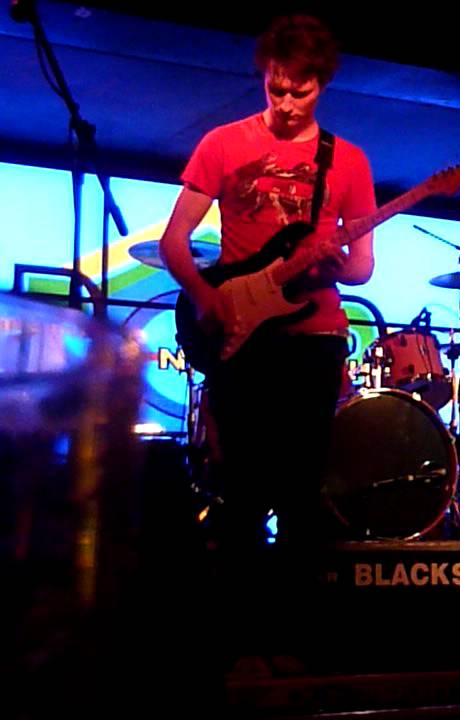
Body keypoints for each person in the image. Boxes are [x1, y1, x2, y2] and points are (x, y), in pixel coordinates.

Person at [159, 14, 375, 674]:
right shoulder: (223, 144)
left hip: (314, 336)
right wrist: (209, 299)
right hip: (242, 336)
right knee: (244, 490)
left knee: (303, 493)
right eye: (275, 88)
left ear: (322, 84)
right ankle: (240, 645)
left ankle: (298, 646)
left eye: (298, 91)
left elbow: (362, 268)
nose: (284, 103)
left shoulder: (348, 161)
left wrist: (331, 262)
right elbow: (173, 243)